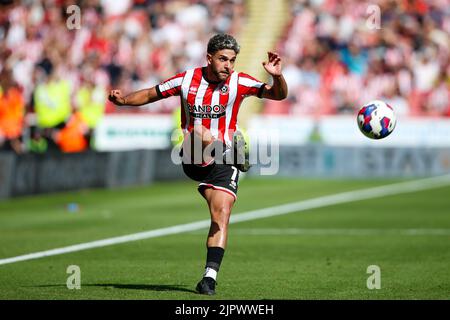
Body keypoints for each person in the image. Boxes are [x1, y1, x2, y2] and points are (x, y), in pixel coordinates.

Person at [108, 34, 287, 295]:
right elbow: (150, 93)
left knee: (221, 215)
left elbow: (277, 96)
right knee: (202, 132)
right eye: (223, 59)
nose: (229, 65)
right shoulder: (186, 80)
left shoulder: (240, 81)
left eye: (233, 60)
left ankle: (209, 278)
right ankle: (230, 150)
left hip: (224, 163)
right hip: (195, 154)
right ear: (209, 58)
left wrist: (277, 76)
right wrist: (123, 101)